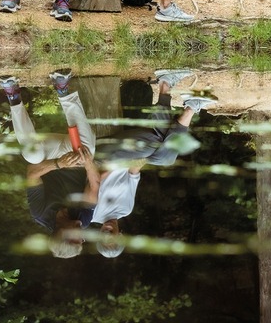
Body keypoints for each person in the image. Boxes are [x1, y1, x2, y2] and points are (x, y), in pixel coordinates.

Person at [89, 68, 218, 257]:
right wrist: (138, 162)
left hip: (106, 157)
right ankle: (188, 104)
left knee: (157, 142)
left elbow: (95, 178)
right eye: (113, 235)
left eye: (104, 236)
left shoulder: (91, 214)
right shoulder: (126, 209)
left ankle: (178, 96)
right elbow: (133, 174)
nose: (108, 231)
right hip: (128, 158)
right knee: (166, 158)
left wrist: (128, 162)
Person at [0, 69, 101, 258]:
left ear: (63, 234)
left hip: (50, 156)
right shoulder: (83, 220)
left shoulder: (40, 214)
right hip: (75, 155)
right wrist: (88, 163)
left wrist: (58, 163)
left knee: (32, 157)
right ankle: (63, 89)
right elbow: (94, 185)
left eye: (78, 239)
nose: (83, 237)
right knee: (89, 151)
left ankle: (13, 95)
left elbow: (32, 174)